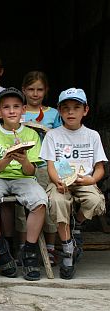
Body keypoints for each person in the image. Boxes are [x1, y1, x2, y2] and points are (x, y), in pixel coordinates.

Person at [0, 87, 47, 281]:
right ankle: (1, 249)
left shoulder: (32, 135)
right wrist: (8, 158)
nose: (11, 111)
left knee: (40, 201)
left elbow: (31, 171)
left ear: (23, 109)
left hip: (23, 179)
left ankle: (30, 253)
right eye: (6, 107)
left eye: (16, 106)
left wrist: (23, 159)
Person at [40, 88, 107, 279]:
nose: (71, 112)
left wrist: (92, 179)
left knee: (95, 201)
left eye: (76, 107)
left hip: (84, 180)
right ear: (59, 111)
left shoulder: (92, 135)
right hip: (61, 181)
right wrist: (57, 181)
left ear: (85, 111)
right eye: (66, 108)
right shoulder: (53, 135)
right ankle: (68, 248)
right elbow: (50, 166)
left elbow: (100, 167)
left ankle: (77, 222)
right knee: (58, 202)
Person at [16, 71, 62, 265]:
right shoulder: (18, 110)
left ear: (46, 91)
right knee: (21, 205)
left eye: (40, 90)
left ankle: (50, 249)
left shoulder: (53, 113)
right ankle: (22, 248)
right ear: (23, 90)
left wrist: (44, 130)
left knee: (49, 203)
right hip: (21, 164)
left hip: (45, 165)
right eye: (31, 89)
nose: (35, 93)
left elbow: (62, 137)